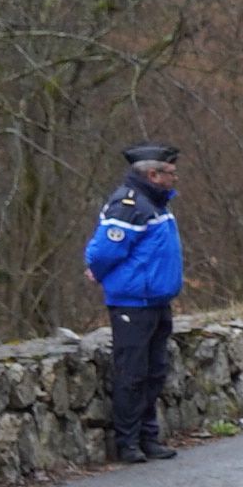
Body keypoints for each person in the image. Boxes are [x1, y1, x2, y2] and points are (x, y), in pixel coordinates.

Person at [84, 142, 185, 463]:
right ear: (153, 174)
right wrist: (98, 273)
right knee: (132, 373)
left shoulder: (157, 204)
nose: (175, 177)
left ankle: (148, 436)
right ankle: (127, 442)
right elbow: (103, 252)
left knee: (155, 371)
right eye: (170, 172)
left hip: (156, 300)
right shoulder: (129, 205)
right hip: (132, 303)